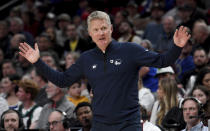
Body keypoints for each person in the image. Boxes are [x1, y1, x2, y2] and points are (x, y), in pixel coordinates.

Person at [19, 11, 190, 131]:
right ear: (90, 34)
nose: (100, 32)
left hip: (128, 124)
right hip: (100, 124)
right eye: (96, 30)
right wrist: (38, 62)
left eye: (103, 28)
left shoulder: (130, 50)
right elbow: (63, 80)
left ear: (110, 29)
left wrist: (176, 47)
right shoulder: (86, 58)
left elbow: (162, 60)